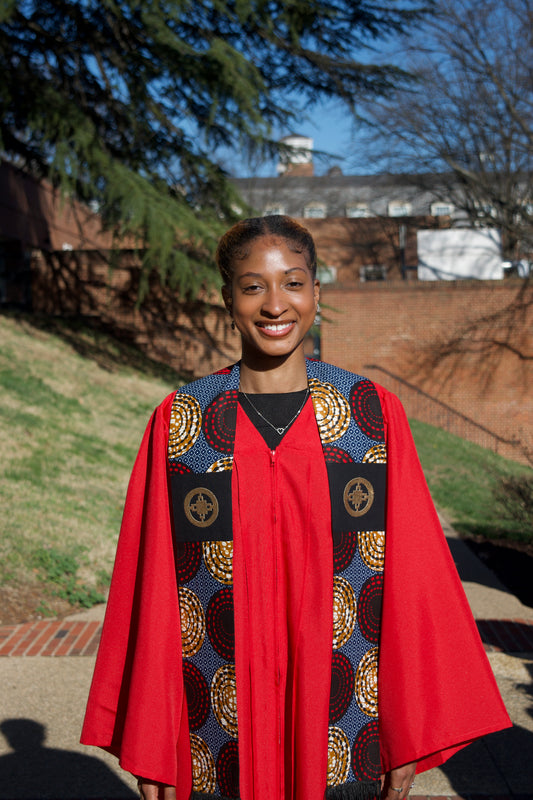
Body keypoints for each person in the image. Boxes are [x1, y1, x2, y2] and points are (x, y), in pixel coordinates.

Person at [81, 216, 511, 800]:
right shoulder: (183, 424)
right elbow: (151, 587)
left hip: (347, 726)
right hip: (215, 732)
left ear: (316, 293)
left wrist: (405, 733)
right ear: (227, 299)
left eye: (293, 282)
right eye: (253, 286)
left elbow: (415, 580)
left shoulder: (368, 418)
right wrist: (154, 743)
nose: (274, 304)